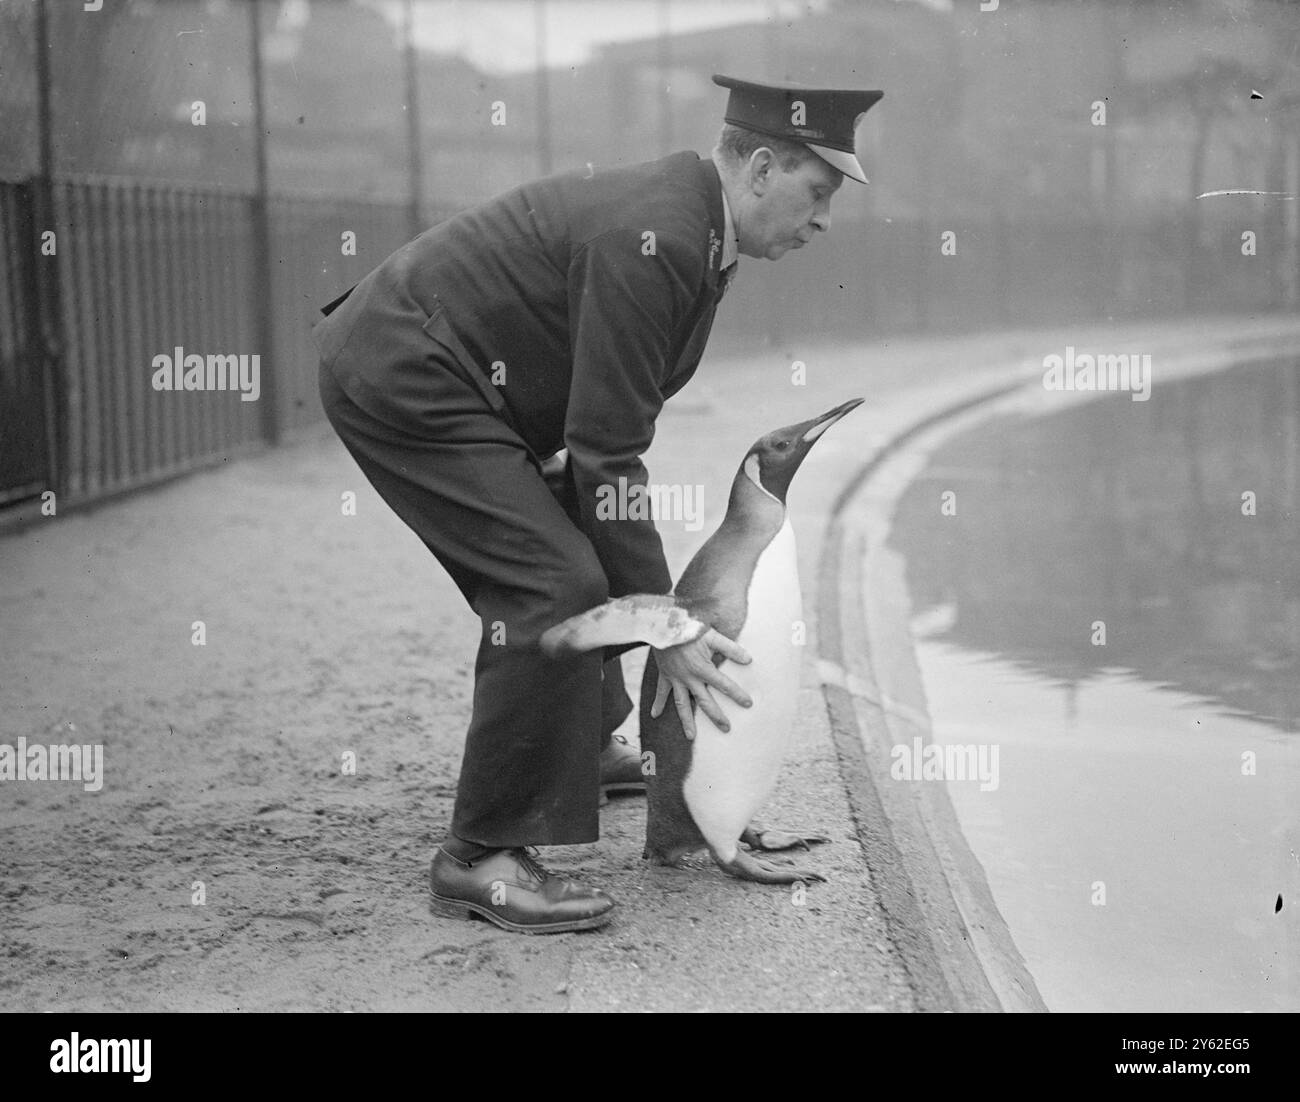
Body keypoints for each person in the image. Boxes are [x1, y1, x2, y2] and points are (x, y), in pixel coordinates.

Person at [314, 74, 883, 934]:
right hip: (404, 373)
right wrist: (672, 621)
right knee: (549, 583)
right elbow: (609, 451)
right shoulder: (656, 234)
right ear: (762, 168)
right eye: (818, 192)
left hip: (455, 378)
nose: (824, 220)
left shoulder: (695, 230)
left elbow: (600, 448)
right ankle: (480, 857)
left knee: (572, 538)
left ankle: (585, 740)